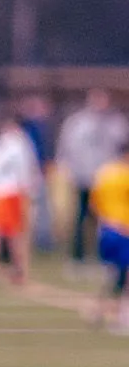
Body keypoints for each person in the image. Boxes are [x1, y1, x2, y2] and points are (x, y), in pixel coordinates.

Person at [58, 89, 129, 264]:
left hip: (109, 180)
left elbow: (122, 148)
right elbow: (66, 147)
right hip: (83, 176)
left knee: (109, 221)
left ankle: (105, 258)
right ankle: (78, 256)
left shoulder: (117, 123)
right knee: (81, 218)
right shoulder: (77, 122)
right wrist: (67, 169)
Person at [0, 114, 43, 285]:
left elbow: (23, 170)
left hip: (9, 194)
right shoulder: (9, 144)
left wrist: (28, 191)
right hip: (2, 194)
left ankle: (11, 270)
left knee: (7, 234)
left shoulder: (16, 144)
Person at [88, 140, 129, 331]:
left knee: (112, 274)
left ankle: (97, 310)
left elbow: (94, 202)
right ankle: (122, 317)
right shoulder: (125, 175)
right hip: (124, 229)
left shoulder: (105, 172)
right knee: (124, 274)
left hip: (106, 228)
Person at [21, 95, 57, 252]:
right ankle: (41, 239)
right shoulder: (31, 128)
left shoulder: (38, 127)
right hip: (33, 173)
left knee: (41, 207)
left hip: (37, 172)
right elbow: (34, 152)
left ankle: (40, 238)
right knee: (38, 207)